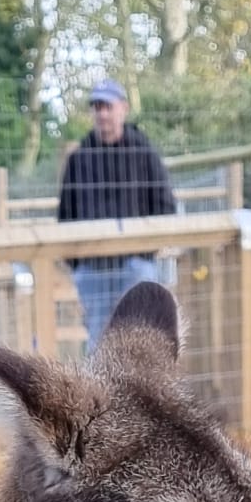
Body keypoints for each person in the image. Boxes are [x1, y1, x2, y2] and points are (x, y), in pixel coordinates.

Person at [56, 80, 177, 352]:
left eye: (107, 107)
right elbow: (65, 215)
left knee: (141, 336)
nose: (102, 114)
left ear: (123, 108)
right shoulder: (79, 158)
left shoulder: (143, 153)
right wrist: (79, 263)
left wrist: (145, 251)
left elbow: (165, 205)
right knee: (98, 340)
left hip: (135, 264)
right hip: (93, 268)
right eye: (97, 107)